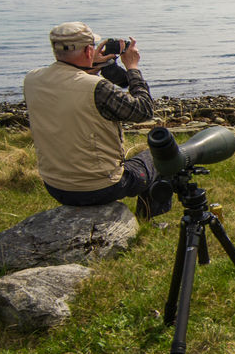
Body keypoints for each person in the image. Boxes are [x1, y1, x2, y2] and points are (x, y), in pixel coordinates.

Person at [23, 21, 170, 217]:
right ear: (87, 51)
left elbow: (70, 88)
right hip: (101, 187)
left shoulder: (32, 79)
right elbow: (143, 111)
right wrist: (132, 67)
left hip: (55, 185)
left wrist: (91, 68)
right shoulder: (96, 87)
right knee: (160, 154)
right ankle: (148, 219)